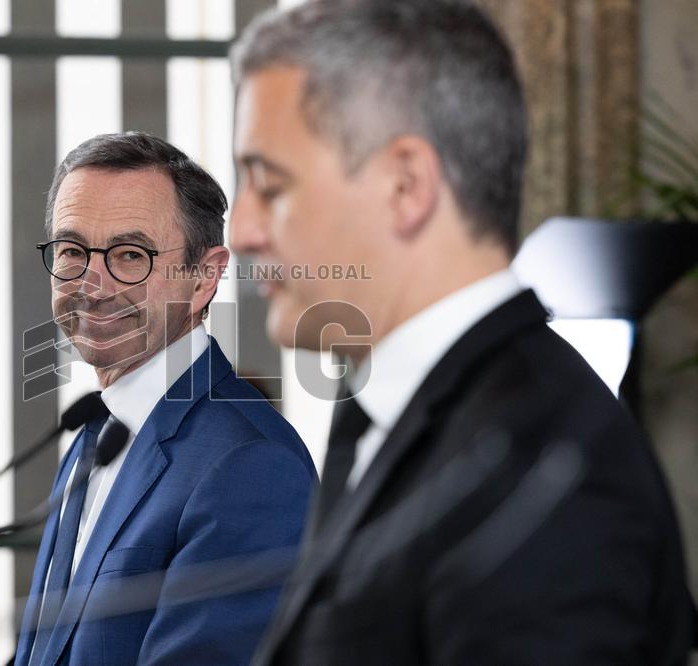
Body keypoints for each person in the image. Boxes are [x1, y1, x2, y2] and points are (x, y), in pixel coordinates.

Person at [228, 1, 694, 664]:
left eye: (269, 185)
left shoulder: (542, 466)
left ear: (406, 185)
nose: (242, 230)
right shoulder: (402, 416)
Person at [13, 132, 317, 666]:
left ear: (204, 278)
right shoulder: (95, 432)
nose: (93, 284)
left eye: (131, 255)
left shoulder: (250, 464)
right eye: (72, 251)